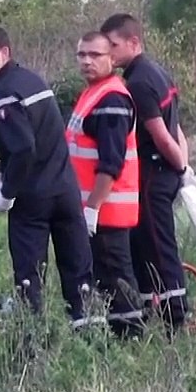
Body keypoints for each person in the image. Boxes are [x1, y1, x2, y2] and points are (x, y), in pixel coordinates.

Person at [0, 24, 99, 330]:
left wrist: (8, 191)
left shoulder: (2, 93)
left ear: (4, 52)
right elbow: (42, 138)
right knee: (78, 272)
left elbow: (24, 148)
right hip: (66, 189)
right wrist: (4, 171)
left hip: (33, 198)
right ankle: (91, 335)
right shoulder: (33, 80)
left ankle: (31, 341)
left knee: (29, 277)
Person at [100, 13, 191, 331]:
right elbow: (177, 128)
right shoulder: (157, 71)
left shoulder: (138, 82)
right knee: (144, 245)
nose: (107, 53)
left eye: (113, 45)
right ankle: (151, 308)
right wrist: (183, 165)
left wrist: (179, 167)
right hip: (164, 171)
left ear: (133, 42)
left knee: (158, 244)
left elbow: (162, 135)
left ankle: (175, 314)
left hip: (154, 173)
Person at [65, 31, 144, 338]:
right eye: (81, 55)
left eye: (95, 55)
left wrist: (92, 208)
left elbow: (111, 162)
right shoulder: (92, 93)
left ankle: (133, 338)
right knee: (106, 279)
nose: (87, 61)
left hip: (108, 210)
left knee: (118, 277)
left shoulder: (111, 99)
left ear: (112, 58)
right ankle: (119, 334)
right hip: (93, 207)